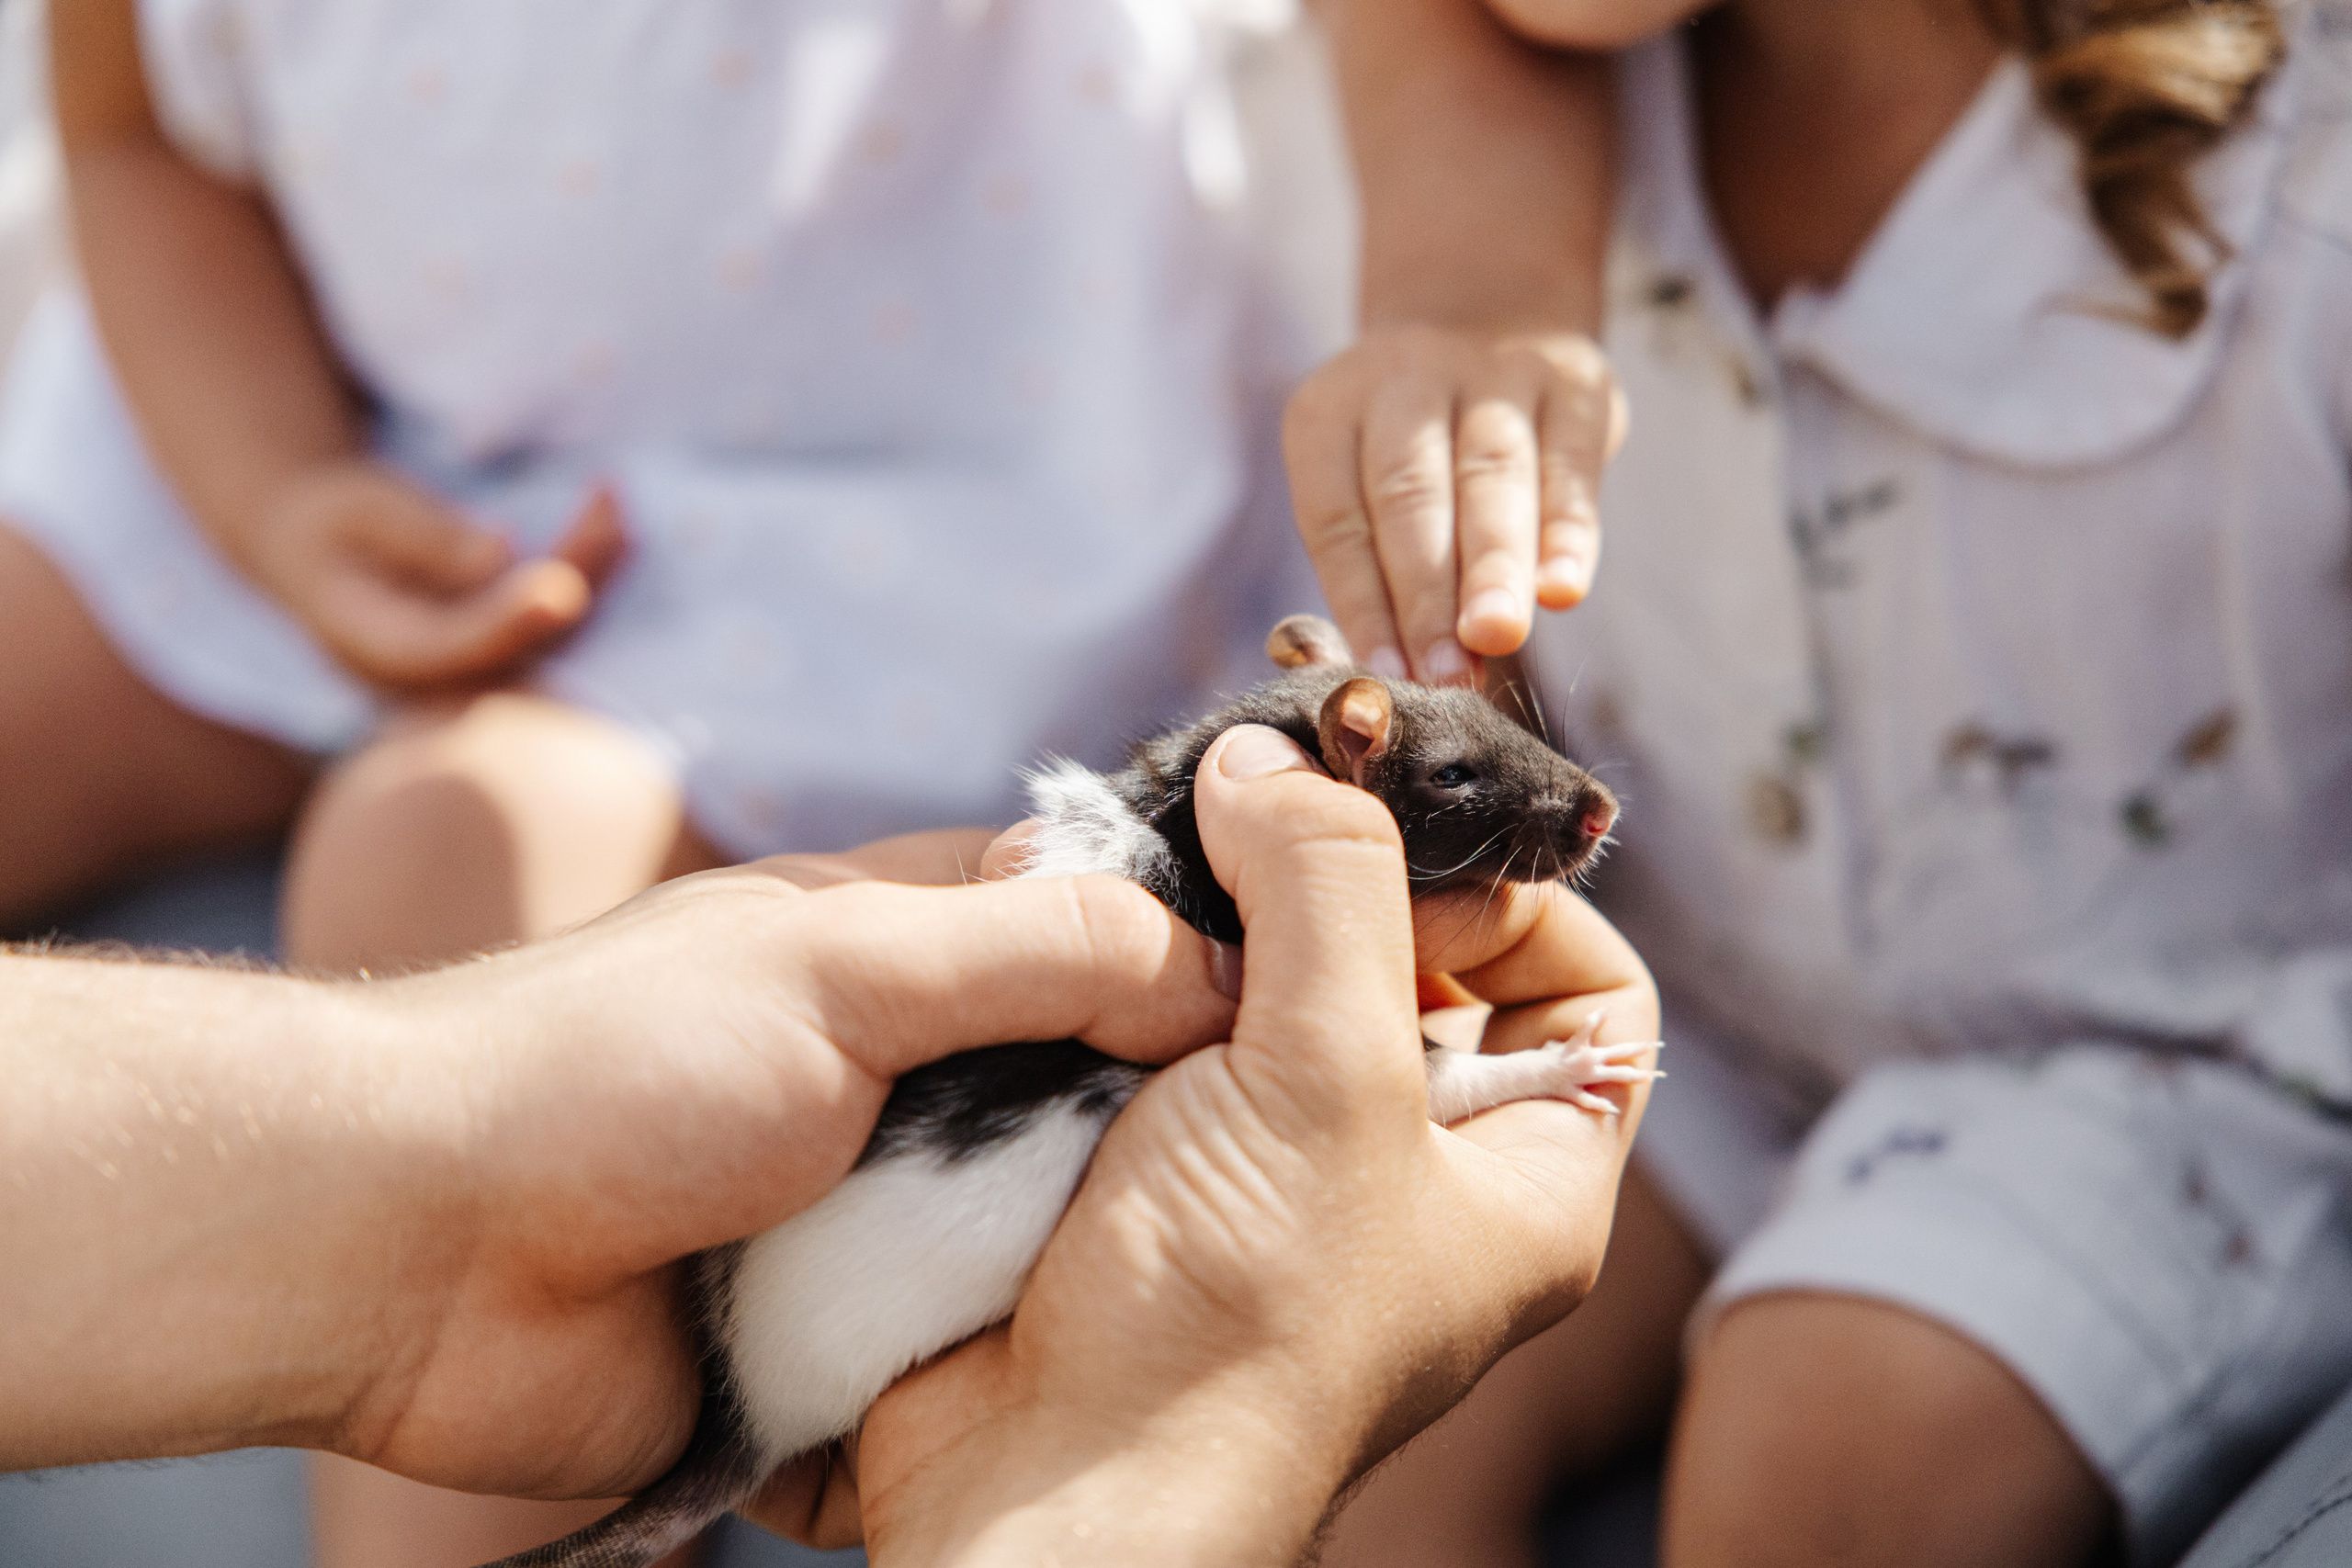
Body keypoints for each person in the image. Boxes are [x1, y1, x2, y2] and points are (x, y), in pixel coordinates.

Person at [1292, 0, 2352, 1565]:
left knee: (1838, 1425)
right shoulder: (1516, 78)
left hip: (2209, 1048)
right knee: (1349, 1366)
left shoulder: (2305, 168)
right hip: (1716, 1002)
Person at [2, 726, 1658, 1564]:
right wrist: (1180, 1460)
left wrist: (452, 1181)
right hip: (836, 1345)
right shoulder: (1184, 980)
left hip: (797, 1332)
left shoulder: (1122, 910)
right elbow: (1346, 1121)